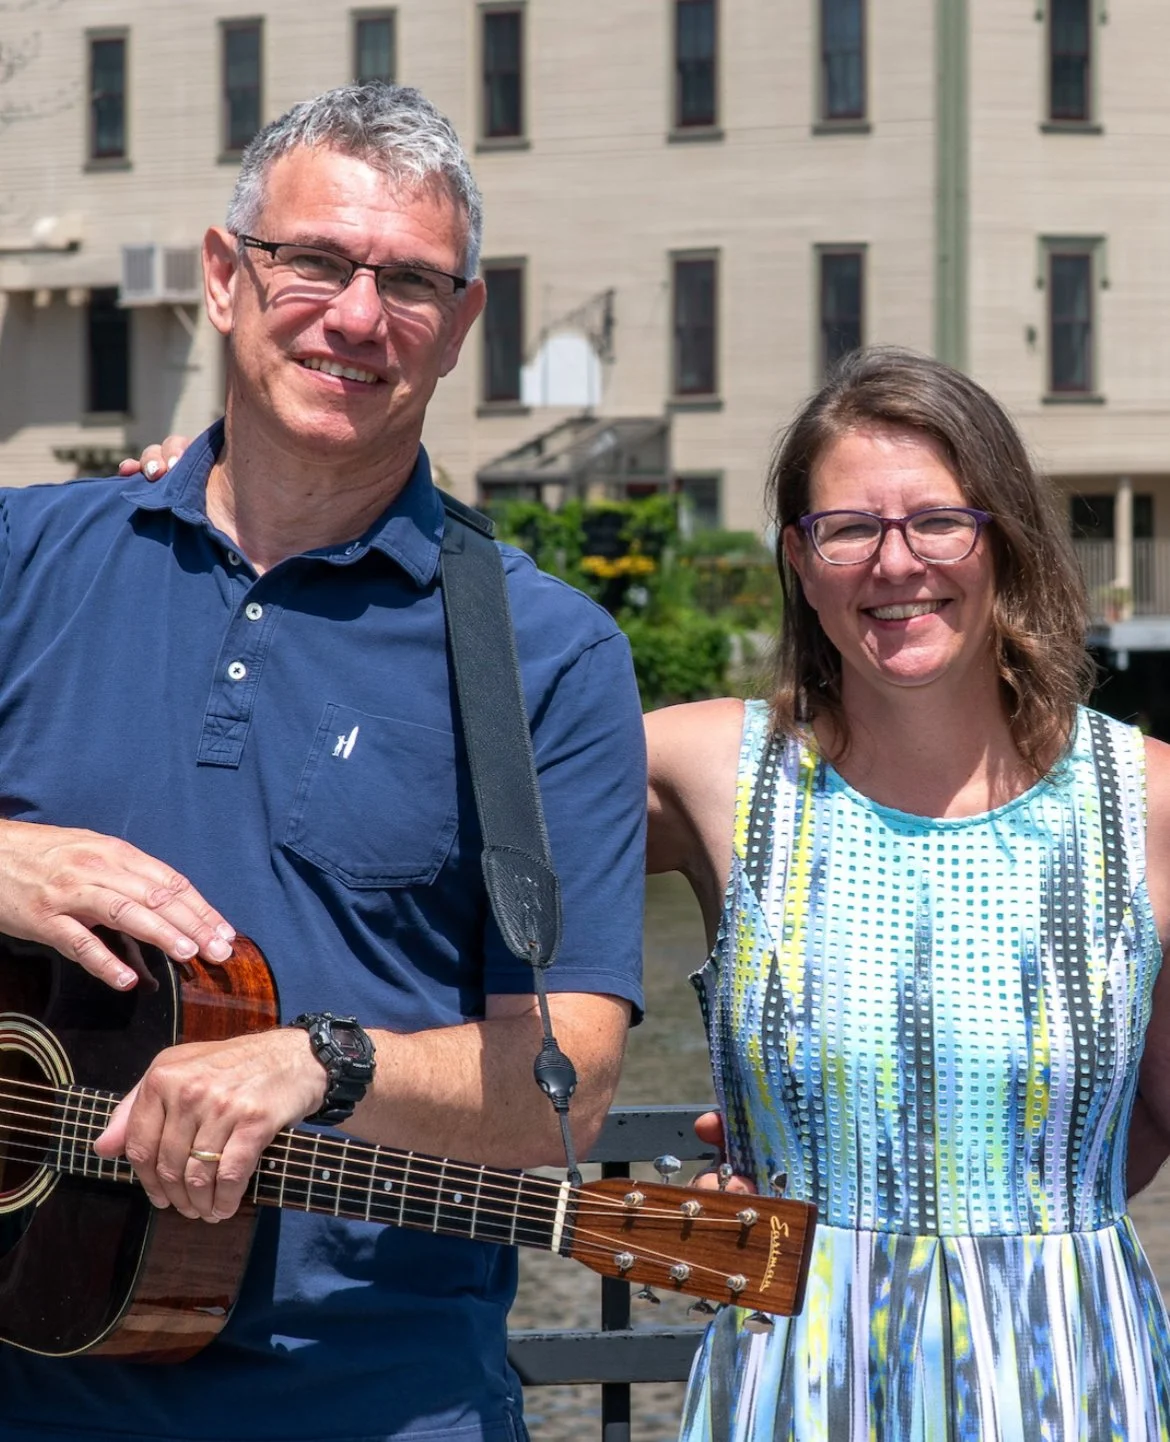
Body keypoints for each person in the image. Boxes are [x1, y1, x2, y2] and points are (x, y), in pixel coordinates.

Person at [0, 84, 645, 1442]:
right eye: (316, 262)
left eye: (410, 280)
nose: (357, 316)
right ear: (227, 277)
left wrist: (326, 1063)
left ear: (461, 324)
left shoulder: (542, 652)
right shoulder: (25, 560)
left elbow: (567, 1084)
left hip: (379, 1401)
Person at [646, 347, 1170, 1440]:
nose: (896, 563)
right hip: (790, 1375)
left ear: (1005, 536)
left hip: (1070, 1378)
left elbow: (1159, 1109)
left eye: (938, 520)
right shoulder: (717, 773)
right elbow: (424, 817)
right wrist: (215, 498)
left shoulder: (1149, 800)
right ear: (799, 557)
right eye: (848, 528)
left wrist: (1008, 1228)